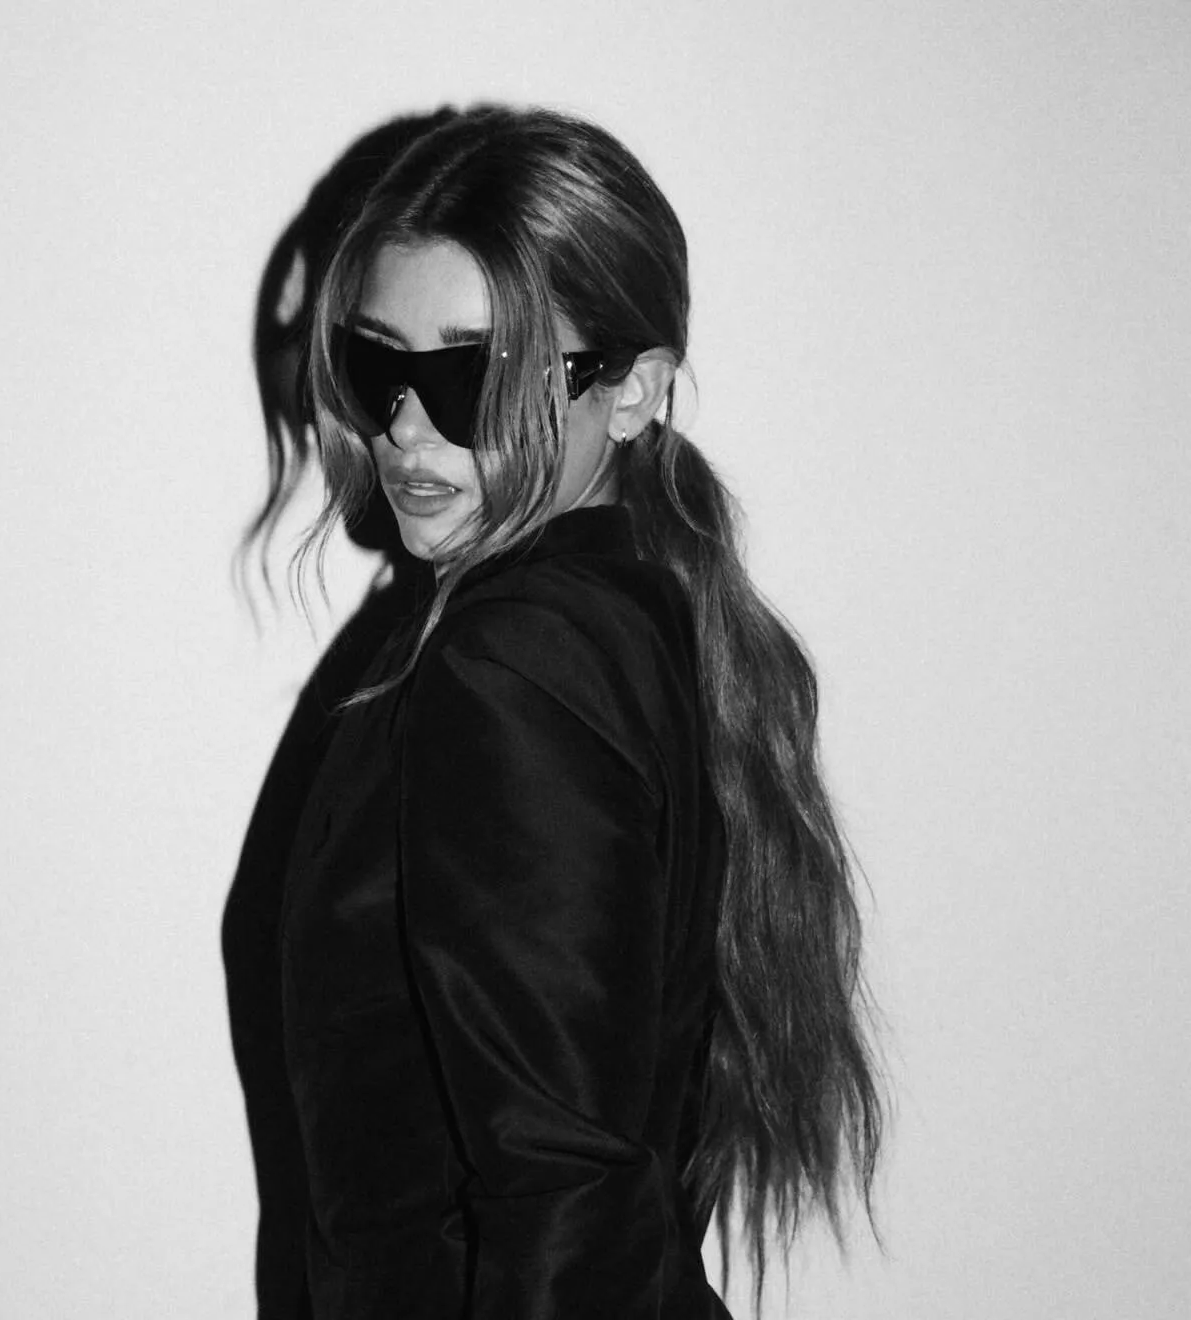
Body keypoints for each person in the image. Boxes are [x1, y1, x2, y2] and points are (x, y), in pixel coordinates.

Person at [263, 104, 882, 1319]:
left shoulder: (514, 665)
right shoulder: (605, 622)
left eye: (473, 374)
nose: (406, 427)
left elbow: (564, 1187)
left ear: (634, 391)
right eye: (378, 365)